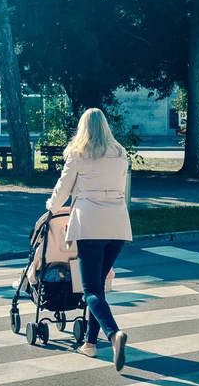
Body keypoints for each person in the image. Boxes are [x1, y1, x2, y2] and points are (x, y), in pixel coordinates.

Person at [45, 107, 132, 372]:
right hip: (117, 225)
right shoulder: (120, 154)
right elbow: (124, 190)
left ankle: (114, 334)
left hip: (90, 225)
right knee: (100, 288)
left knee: (91, 290)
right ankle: (90, 344)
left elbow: (63, 188)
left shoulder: (78, 154)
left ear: (83, 128)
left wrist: (51, 207)